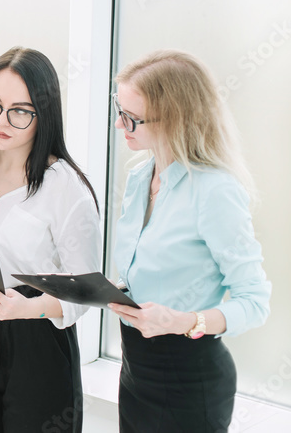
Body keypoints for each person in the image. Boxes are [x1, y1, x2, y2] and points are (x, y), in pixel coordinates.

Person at [0, 47, 100, 432]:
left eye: (20, 111)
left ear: (44, 115)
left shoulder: (66, 187)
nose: (1, 120)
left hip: (35, 333)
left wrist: (24, 309)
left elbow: (85, 291)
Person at [107, 50, 270, 433]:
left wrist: (183, 321)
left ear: (174, 119)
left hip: (189, 384)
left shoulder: (215, 191)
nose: (119, 124)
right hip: (135, 373)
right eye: (118, 110)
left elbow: (255, 303)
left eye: (131, 118)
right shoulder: (141, 176)